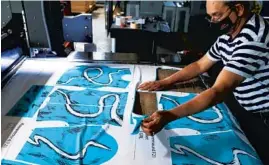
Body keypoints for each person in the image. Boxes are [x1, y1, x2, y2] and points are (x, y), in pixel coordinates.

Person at [138, 0, 269, 164]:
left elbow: (218, 90)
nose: (214, 21)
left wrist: (169, 115)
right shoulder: (230, 32)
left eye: (217, 15)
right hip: (246, 106)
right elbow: (201, 64)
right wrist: (165, 82)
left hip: (264, 116)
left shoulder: (252, 40)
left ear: (239, 9)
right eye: (210, 17)